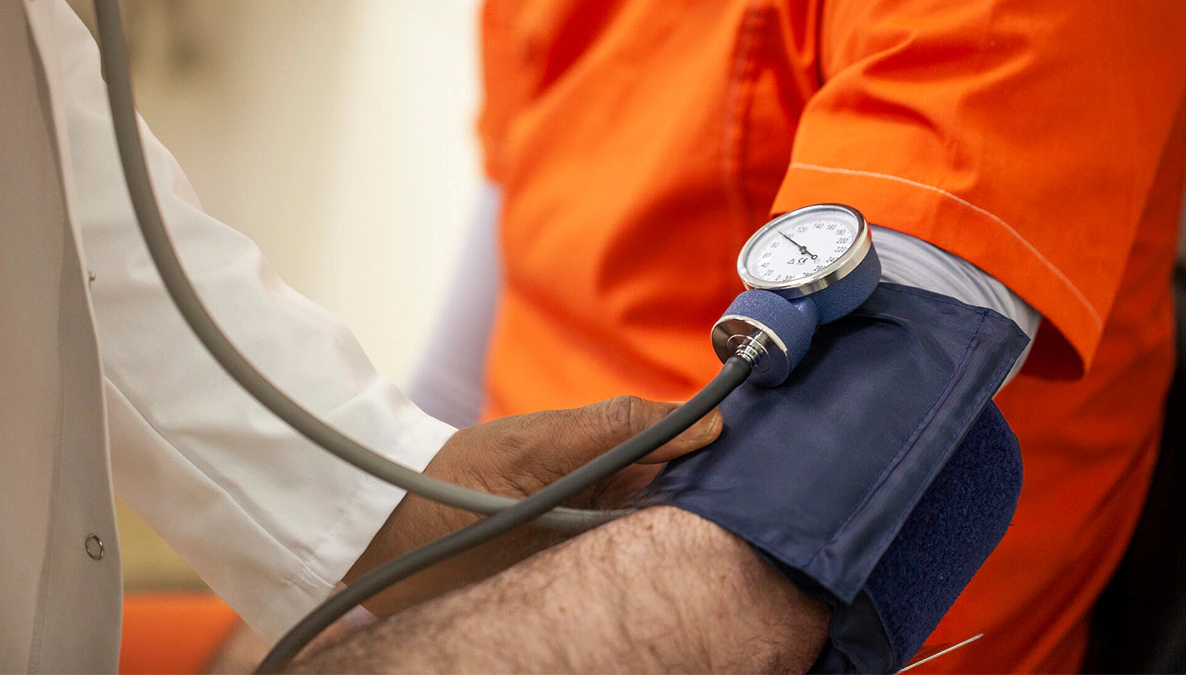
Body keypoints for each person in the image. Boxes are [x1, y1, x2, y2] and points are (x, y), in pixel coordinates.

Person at [4, 2, 841, 672]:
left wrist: (396, 515)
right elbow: (459, 362)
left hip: (695, 573)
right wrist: (392, 517)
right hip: (524, 553)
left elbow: (63, 198)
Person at [408, 0, 1186, 671]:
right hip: (515, 593)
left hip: (743, 614)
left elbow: (773, 553)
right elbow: (482, 339)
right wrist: (364, 591)